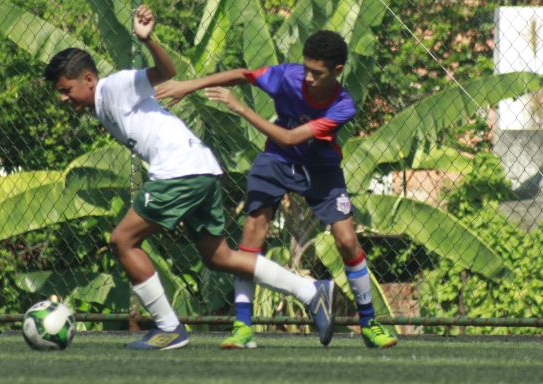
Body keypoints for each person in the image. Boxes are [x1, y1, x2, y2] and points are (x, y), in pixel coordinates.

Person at [43, 5, 336, 350]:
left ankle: (169, 328)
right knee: (219, 257)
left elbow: (167, 71)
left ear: (88, 79)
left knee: (122, 240)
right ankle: (310, 290)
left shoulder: (114, 87)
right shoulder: (102, 103)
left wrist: (148, 40)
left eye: (66, 90)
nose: (63, 99)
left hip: (178, 171)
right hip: (201, 169)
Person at [155, 30, 399, 349]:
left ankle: (370, 323)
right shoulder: (287, 76)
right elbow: (242, 75)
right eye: (307, 68)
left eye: (318, 73)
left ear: (338, 71)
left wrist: (241, 109)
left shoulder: (343, 106)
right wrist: (190, 85)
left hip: (320, 171)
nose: (309, 78)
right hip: (275, 162)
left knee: (347, 240)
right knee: (252, 233)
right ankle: (243, 328)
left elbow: (290, 137)